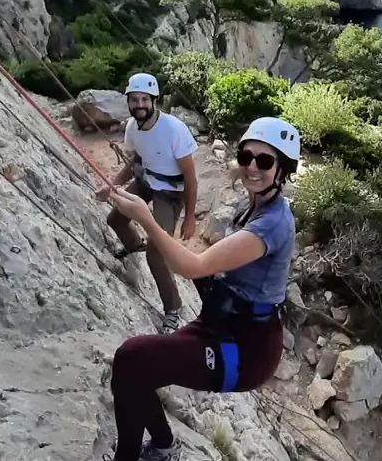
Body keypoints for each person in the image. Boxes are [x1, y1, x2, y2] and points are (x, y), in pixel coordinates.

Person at [101, 117, 300, 461]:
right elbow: (209, 264)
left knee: (133, 359)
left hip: (245, 349)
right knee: (134, 364)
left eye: (265, 161)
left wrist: (145, 218)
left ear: (283, 169)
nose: (252, 167)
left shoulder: (272, 224)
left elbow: (191, 266)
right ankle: (164, 447)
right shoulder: (252, 206)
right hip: (224, 324)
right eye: (245, 156)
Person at [96, 72, 199, 335]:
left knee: (157, 251)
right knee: (115, 219)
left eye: (144, 99)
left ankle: (173, 308)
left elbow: (190, 177)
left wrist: (189, 217)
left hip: (170, 193)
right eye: (134, 99)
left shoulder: (174, 129)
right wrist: (112, 187)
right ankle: (134, 245)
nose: (139, 104)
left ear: (155, 101)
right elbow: (136, 162)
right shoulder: (132, 127)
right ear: (128, 102)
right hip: (146, 181)